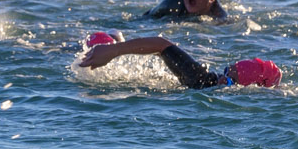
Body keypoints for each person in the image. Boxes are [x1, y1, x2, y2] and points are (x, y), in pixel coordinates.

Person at [79, 32, 281, 88]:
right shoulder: (202, 80)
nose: (221, 80)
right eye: (225, 73)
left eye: (230, 82)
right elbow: (161, 44)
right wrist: (113, 51)